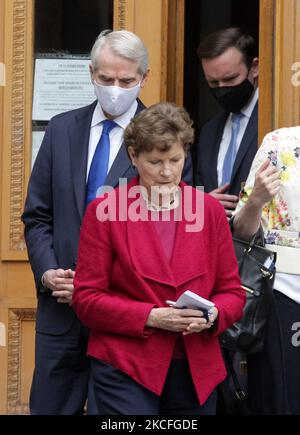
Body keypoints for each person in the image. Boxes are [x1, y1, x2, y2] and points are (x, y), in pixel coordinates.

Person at [21, 29, 192, 415]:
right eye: (106, 79)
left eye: (126, 81)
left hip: (126, 318)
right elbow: (37, 216)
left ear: (144, 78)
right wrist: (48, 273)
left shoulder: (166, 142)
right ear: (91, 73)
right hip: (61, 313)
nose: (115, 88)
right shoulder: (62, 128)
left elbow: (172, 233)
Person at [72, 102, 245, 415]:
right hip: (125, 367)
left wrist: (213, 315)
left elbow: (232, 293)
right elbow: (86, 299)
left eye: (175, 160)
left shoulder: (208, 210)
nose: (167, 172)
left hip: (196, 370)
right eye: (155, 161)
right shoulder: (105, 211)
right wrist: (150, 316)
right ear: (133, 157)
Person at [232, 126, 300, 415]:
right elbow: (242, 232)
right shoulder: (280, 143)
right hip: (284, 293)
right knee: (282, 399)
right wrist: (256, 199)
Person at [195, 27, 259, 218]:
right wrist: (204, 202)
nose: (222, 89)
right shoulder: (208, 131)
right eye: (213, 83)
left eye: (230, 78)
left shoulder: (275, 122)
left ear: (254, 67)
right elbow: (197, 187)